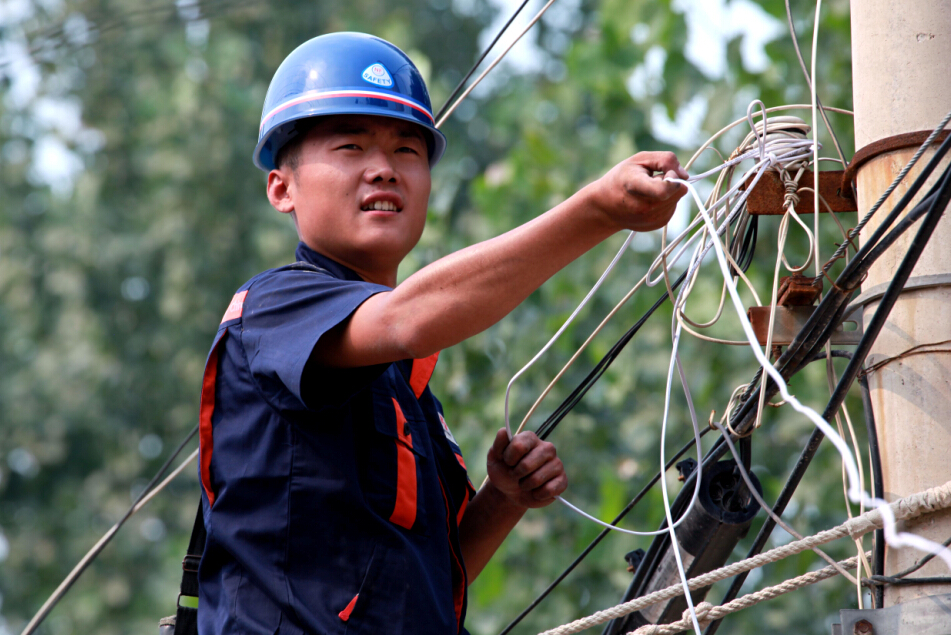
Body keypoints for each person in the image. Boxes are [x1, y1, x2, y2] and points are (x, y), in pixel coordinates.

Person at [195, 32, 687, 635]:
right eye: (350, 146)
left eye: (407, 151)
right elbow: (409, 315)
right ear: (282, 187)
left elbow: (428, 579)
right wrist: (598, 211)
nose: (383, 169)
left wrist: (503, 499)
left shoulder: (403, 382)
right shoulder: (275, 306)